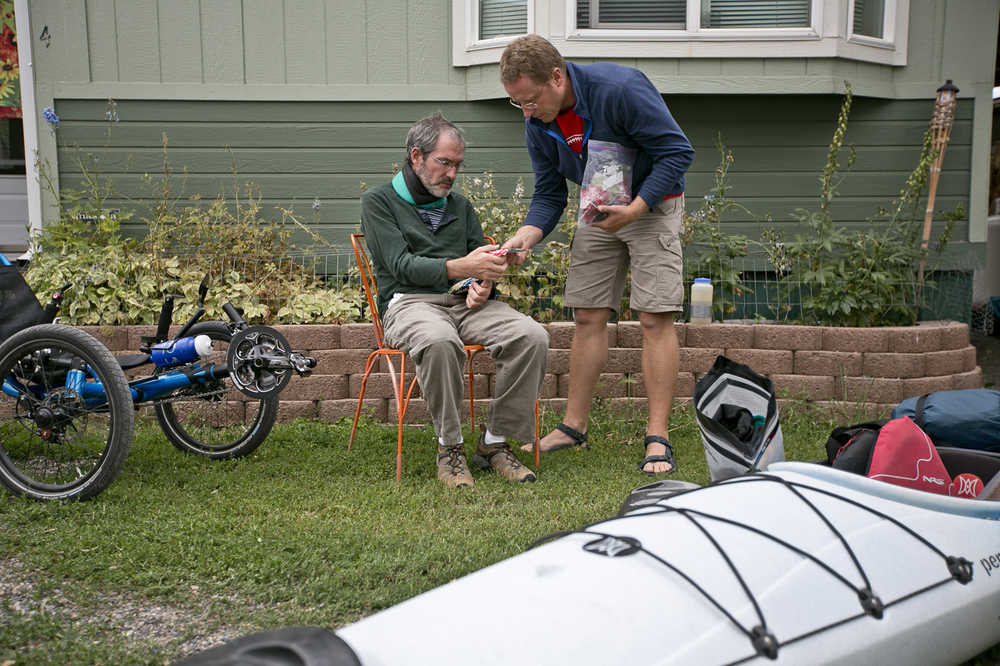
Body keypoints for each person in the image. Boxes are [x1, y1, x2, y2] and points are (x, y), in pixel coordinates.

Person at [498, 35, 694, 476]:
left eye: (530, 101)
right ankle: (573, 427)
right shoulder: (537, 123)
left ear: (556, 76)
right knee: (587, 314)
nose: (526, 113)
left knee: (653, 316)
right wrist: (525, 237)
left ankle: (657, 436)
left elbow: (677, 152)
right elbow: (549, 193)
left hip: (652, 205)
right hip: (600, 212)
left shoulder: (620, 90)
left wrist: (637, 209)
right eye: (518, 105)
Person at [360, 112, 549, 488]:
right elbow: (399, 264)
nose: (451, 173)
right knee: (438, 340)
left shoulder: (460, 206)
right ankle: (450, 447)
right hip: (408, 304)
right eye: (443, 162)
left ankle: (494, 443)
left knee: (532, 336)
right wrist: (461, 266)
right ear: (416, 157)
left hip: (463, 304)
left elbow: (477, 263)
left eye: (457, 165)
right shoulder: (379, 202)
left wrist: (484, 282)